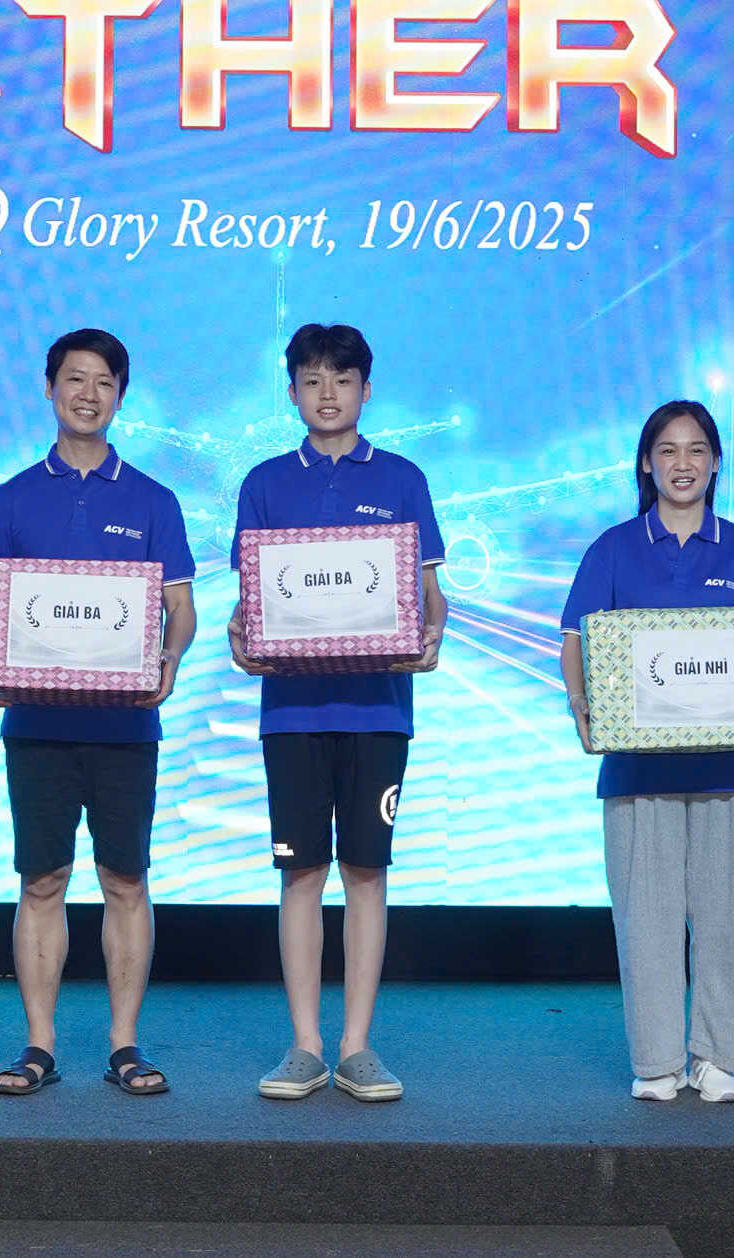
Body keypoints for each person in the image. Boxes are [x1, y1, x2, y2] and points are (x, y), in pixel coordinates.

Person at [0, 329, 198, 1098]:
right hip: (35, 725)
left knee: (126, 880)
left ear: (120, 396)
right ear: (49, 387)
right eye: (74, 378)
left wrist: (169, 658)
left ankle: (125, 1046)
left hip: (127, 726)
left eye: (103, 382)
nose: (87, 394)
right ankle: (39, 1045)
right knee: (42, 881)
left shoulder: (154, 500)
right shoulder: (11, 498)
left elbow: (181, 609)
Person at [228, 323, 446, 1103]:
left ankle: (356, 1046)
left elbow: (429, 596)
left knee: (366, 871)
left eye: (343, 379)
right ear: (292, 391)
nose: (328, 394)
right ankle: (305, 1046)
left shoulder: (402, 479)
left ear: (366, 389)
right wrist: (239, 636)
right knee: (300, 873)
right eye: (313, 380)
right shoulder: (264, 484)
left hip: (378, 710)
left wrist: (433, 631)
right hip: (291, 712)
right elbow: (252, 603)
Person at [559, 401, 734, 1104]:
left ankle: (719, 1057)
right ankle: (658, 1060)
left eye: (696, 450)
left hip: (732, 770)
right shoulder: (612, 549)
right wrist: (583, 708)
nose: (682, 463)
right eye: (667, 450)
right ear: (646, 463)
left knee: (726, 920)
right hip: (637, 771)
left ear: (715, 462)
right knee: (647, 921)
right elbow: (576, 642)